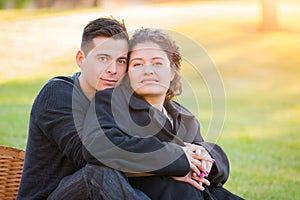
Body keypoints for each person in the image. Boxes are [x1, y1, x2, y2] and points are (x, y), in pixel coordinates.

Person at [82, 28, 244, 199]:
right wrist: (178, 158)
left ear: (173, 70)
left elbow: (211, 171)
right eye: (137, 64)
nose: (148, 70)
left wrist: (205, 156)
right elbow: (99, 145)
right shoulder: (111, 101)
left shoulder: (184, 117)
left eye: (157, 63)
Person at [17, 17, 150, 200]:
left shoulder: (119, 99)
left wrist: (191, 153)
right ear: (81, 59)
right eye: (103, 58)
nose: (113, 69)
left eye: (121, 61)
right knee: (98, 173)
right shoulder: (57, 93)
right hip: (51, 195)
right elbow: (87, 153)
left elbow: (155, 135)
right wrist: (171, 162)